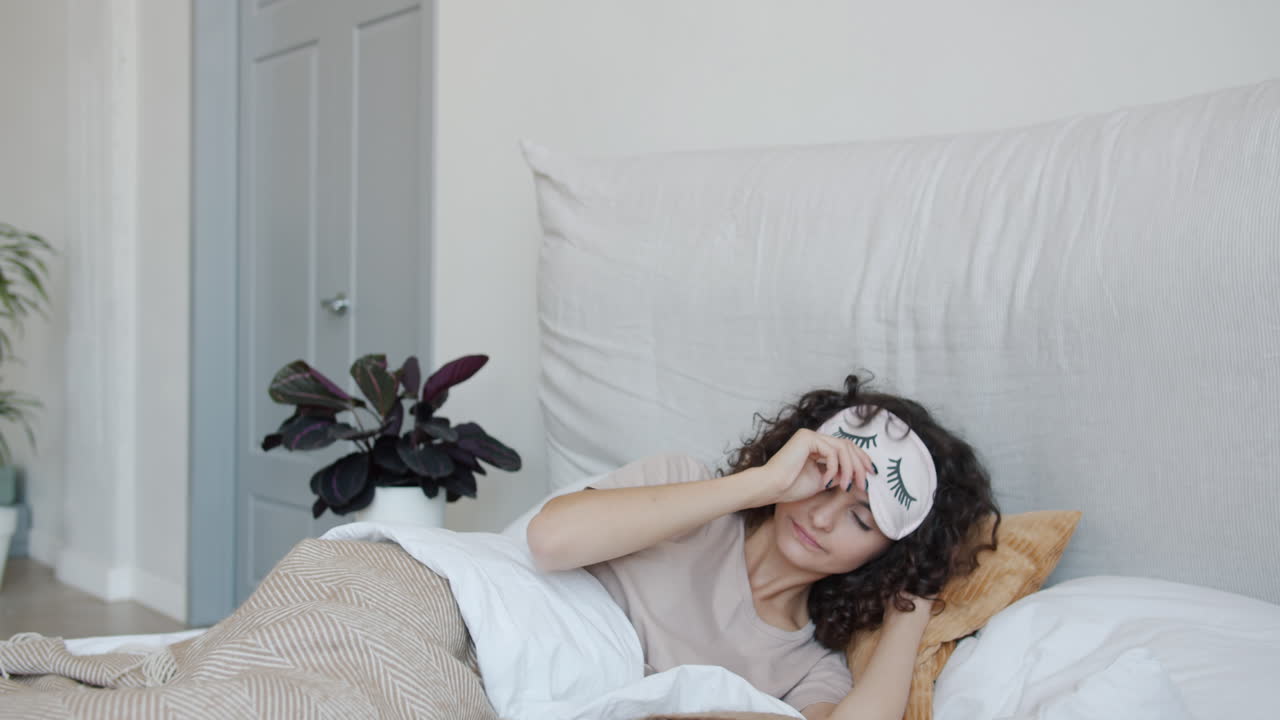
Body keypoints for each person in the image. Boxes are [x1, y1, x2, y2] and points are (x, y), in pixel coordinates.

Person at [526, 373, 1000, 720]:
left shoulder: (810, 666)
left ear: (887, 554)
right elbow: (549, 541)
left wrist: (912, 598)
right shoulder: (684, 488)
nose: (820, 517)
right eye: (822, 482)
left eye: (860, 518)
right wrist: (763, 484)